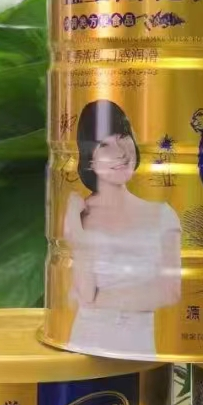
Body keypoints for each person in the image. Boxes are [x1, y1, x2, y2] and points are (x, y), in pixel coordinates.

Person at [64, 100, 181, 357]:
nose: (120, 152)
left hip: (138, 351)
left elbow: (169, 292)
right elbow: (85, 291)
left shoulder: (162, 215)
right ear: (89, 158)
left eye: (123, 136)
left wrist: (99, 299)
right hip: (84, 348)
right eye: (104, 145)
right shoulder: (80, 216)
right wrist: (76, 233)